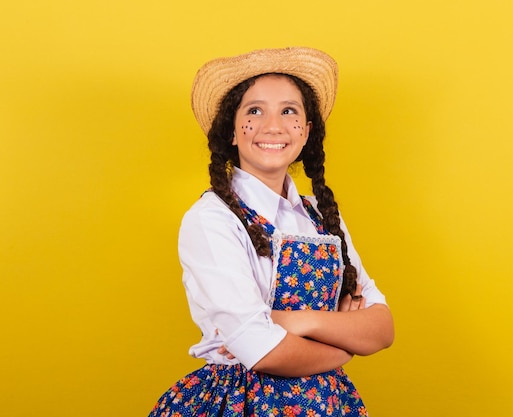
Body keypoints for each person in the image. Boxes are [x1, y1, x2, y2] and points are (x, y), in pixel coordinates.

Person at [148, 47, 394, 417]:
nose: (274, 126)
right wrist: (344, 344)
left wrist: (295, 320)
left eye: (289, 111)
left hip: (329, 404)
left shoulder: (322, 216)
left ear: (306, 132)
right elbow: (260, 349)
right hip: (241, 402)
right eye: (255, 111)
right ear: (231, 130)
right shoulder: (212, 219)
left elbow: (381, 328)